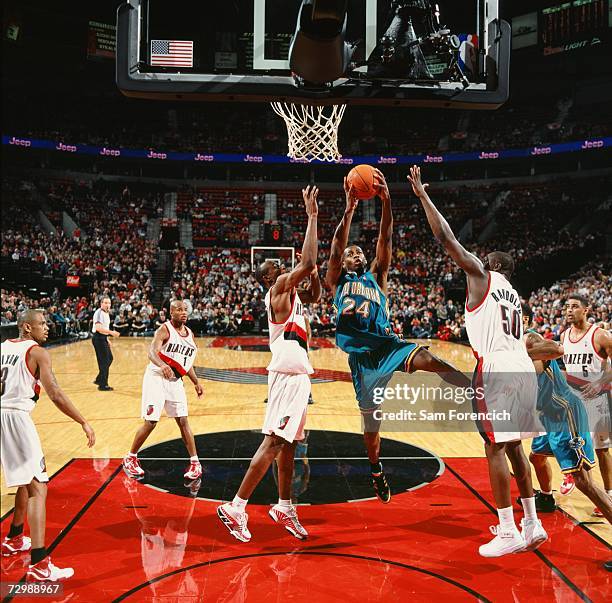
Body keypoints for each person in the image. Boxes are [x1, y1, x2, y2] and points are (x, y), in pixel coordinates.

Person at [408, 165, 546, 558]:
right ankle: (532, 523)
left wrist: (422, 197)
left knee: (494, 449)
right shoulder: (514, 295)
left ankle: (506, 529)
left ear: (492, 265)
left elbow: (446, 238)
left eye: (482, 259)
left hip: (498, 369)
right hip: (521, 368)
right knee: (516, 447)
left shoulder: (484, 276)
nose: (475, 263)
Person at [326, 169, 469, 505]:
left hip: (389, 346)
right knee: (371, 428)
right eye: (351, 253)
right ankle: (376, 469)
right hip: (363, 361)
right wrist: (348, 211)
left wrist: (388, 201)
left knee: (430, 360)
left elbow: (385, 239)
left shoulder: (377, 275)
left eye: (359, 252)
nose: (356, 255)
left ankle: (477, 392)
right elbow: (334, 248)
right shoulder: (336, 278)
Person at [217, 185, 320, 543]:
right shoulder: (277, 289)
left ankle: (285, 505)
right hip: (287, 375)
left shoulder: (293, 296)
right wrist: (312, 216)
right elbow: (305, 264)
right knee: (274, 441)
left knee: (291, 444)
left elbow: (314, 286)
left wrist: (316, 270)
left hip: (298, 375)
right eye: (277, 266)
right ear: (268, 277)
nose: (282, 266)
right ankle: (237, 506)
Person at [1, 309, 96, 580]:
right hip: (16, 418)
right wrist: (82, 421)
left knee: (24, 479)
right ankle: (40, 563)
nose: (48, 327)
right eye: (42, 323)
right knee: (38, 488)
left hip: (1, 414)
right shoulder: (37, 352)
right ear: (27, 328)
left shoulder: (2, 348)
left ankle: (15, 538)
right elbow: (54, 392)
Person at [521, 304, 611, 523]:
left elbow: (549, 356)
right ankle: (545, 497)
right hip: (549, 415)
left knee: (584, 481)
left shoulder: (529, 339)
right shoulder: (510, 345)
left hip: (565, 413)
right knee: (536, 457)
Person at [123, 300, 203, 481]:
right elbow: (152, 352)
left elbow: (186, 363)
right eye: (179, 310)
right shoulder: (164, 330)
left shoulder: (189, 334)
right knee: (151, 421)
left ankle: (195, 462)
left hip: (175, 381)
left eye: (185, 310)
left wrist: (196, 382)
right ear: (171, 312)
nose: (183, 312)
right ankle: (130, 457)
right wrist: (162, 364)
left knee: (183, 420)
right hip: (156, 378)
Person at [561, 294, 612, 516]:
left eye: (574, 307)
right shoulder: (563, 336)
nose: (569, 310)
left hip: (597, 401)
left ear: (586, 310)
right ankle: (571, 475)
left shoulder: (600, 336)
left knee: (601, 450)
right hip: (573, 401)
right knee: (573, 443)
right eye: (566, 307)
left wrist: (600, 382)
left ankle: (608, 494)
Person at [92, 297, 119, 391]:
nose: (108, 305)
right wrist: (111, 333)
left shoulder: (106, 313)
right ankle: (103, 385)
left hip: (103, 338)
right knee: (104, 361)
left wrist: (107, 339)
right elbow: (98, 328)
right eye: (106, 303)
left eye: (109, 303)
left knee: (109, 359)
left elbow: (104, 327)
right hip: (98, 338)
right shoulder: (99, 313)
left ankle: (99, 379)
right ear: (101, 304)